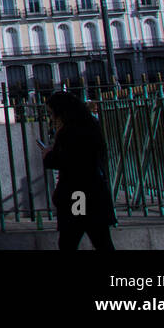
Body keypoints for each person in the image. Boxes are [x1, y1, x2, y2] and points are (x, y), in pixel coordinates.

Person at [41, 91, 117, 251]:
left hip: (78, 195)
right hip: (94, 190)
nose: (51, 118)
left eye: (51, 113)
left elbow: (67, 161)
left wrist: (48, 155)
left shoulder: (69, 131)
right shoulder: (90, 125)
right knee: (101, 239)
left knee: (70, 239)